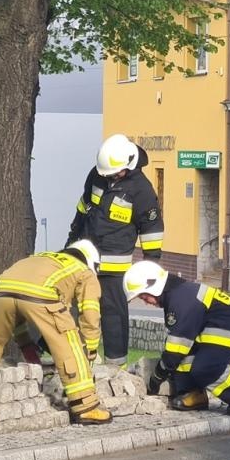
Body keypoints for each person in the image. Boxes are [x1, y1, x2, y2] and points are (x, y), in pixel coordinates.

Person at [0, 240, 112, 425]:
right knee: (69, 346)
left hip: (2, 291)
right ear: (91, 262)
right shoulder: (83, 271)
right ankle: (85, 407)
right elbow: (90, 312)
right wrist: (91, 349)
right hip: (40, 294)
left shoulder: (44, 258)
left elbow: (18, 311)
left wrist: (28, 350)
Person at [67, 134, 163, 366]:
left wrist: (149, 269)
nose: (108, 176)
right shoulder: (97, 175)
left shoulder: (142, 191)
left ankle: (115, 367)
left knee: (113, 317)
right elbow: (83, 207)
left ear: (128, 165)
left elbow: (151, 232)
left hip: (114, 268)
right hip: (84, 260)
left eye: (113, 173)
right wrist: (71, 241)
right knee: (74, 310)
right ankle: (77, 360)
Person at [125, 260, 230, 415]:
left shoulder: (180, 299)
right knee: (184, 360)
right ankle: (195, 394)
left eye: (143, 297)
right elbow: (178, 349)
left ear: (153, 286)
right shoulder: (175, 295)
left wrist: (157, 377)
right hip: (214, 330)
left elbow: (175, 350)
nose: (146, 303)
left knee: (204, 367)